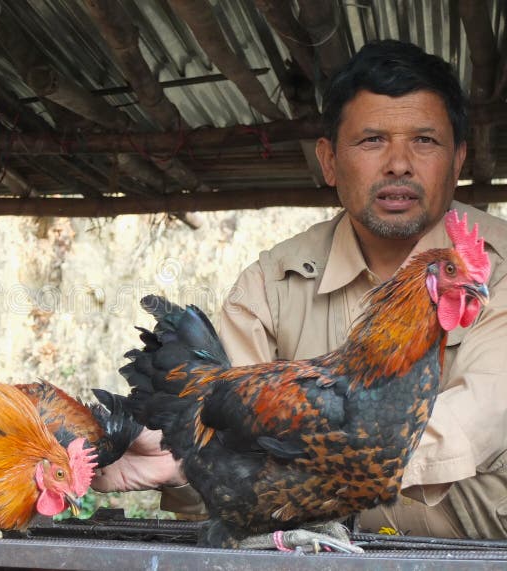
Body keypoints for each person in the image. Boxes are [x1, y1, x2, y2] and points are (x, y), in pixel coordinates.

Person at [92, 39, 507, 540]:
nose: (399, 163)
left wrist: (316, 451)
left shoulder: (494, 270)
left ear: (459, 159)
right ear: (329, 161)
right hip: (308, 553)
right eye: (372, 140)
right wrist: (177, 455)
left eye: (424, 140)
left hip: (476, 547)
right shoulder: (270, 285)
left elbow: (486, 413)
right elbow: (228, 446)